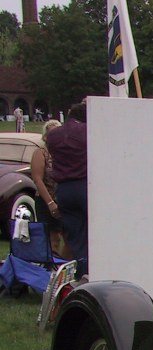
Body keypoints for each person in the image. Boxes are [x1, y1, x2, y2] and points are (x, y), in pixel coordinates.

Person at [46, 102, 88, 274]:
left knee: (73, 235)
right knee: (92, 231)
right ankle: (89, 270)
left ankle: (79, 269)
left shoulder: (53, 135)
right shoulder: (86, 131)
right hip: (84, 185)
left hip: (63, 189)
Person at [30, 119, 64, 258]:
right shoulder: (40, 153)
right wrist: (50, 203)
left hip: (62, 199)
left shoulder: (64, 153)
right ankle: (50, 267)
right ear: (45, 137)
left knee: (68, 237)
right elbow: (37, 179)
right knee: (52, 238)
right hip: (46, 200)